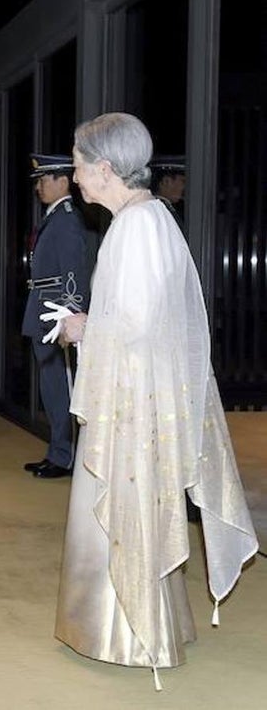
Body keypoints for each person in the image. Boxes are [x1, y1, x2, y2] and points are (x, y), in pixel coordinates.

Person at [49, 113, 257, 688]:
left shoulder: (136, 226)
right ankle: (150, 622)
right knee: (137, 512)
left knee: (123, 510)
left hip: (130, 402)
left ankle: (125, 632)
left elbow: (137, 325)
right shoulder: (151, 219)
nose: (73, 177)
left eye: (78, 164)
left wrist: (83, 328)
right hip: (139, 395)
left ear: (106, 169)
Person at [21, 153, 90, 479]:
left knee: (62, 387)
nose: (38, 187)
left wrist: (71, 314)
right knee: (52, 388)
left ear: (63, 180)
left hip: (57, 313)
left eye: (43, 180)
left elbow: (73, 272)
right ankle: (58, 452)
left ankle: (66, 456)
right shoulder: (55, 217)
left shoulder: (66, 219)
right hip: (45, 309)